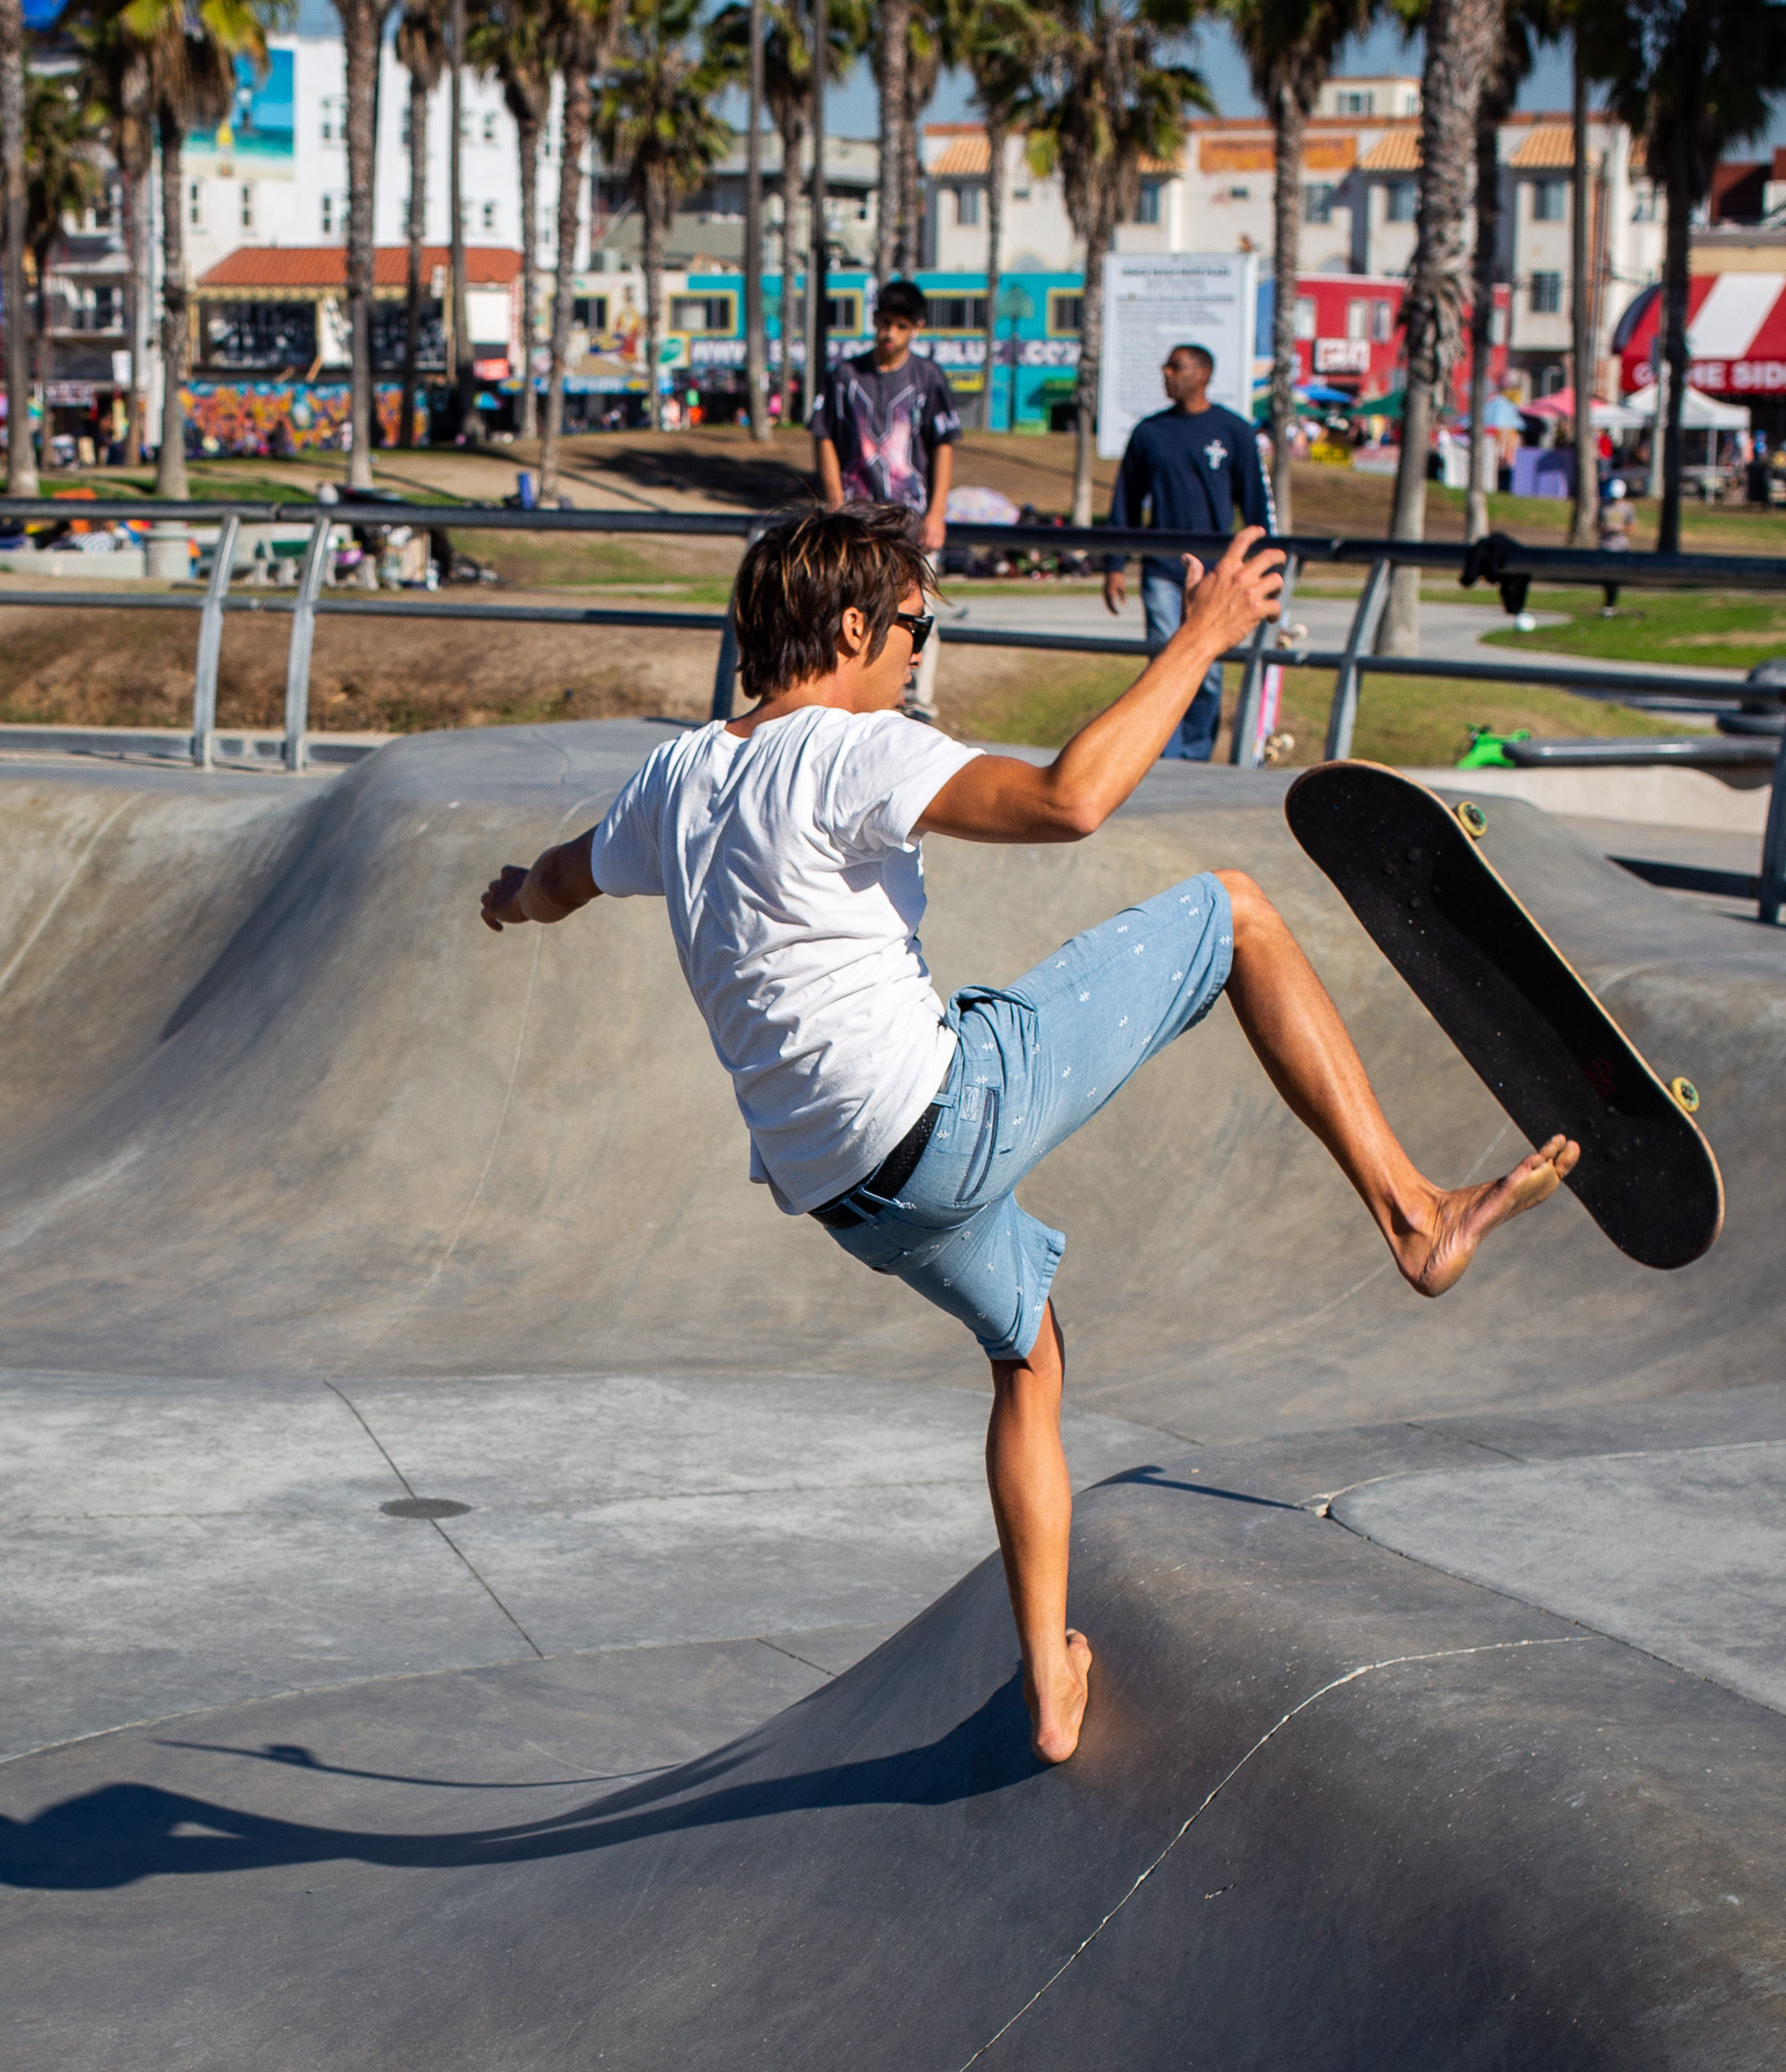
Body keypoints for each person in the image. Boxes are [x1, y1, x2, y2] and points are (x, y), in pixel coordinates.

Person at [478, 502, 1580, 1766]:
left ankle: (1051, 1685)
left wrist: (512, 901)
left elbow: (556, 880)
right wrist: (1204, 635)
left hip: (852, 1201)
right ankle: (1415, 1212)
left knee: (1029, 1351)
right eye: (915, 628)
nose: (919, 657)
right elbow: (1070, 800)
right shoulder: (850, 748)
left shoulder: (672, 781)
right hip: (946, 1119)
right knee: (1235, 911)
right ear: (853, 630)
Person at [1102, 344, 1275, 761]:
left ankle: (1195, 756)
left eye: (1176, 366)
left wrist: (1263, 568)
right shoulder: (1149, 433)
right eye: (1166, 366)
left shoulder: (1234, 430)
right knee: (1165, 661)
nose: (1166, 373)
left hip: (1215, 575)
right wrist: (1115, 564)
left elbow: (1256, 504)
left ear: (1202, 375)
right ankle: (1165, 755)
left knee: (1208, 672)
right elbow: (1125, 502)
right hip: (1163, 570)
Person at [811, 279, 959, 718]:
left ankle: (917, 701)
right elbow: (823, 436)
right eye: (882, 323)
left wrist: (937, 512)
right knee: (851, 606)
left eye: (899, 326)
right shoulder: (845, 375)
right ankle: (852, 696)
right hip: (857, 518)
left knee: (917, 609)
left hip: (911, 519)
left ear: (917, 327)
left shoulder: (928, 377)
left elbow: (944, 445)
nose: (888, 334)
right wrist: (836, 503)